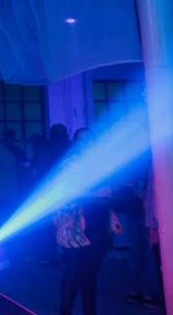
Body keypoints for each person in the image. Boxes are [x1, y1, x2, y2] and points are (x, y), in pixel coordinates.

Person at [54, 128, 122, 315]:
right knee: (73, 272)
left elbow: (109, 192)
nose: (87, 143)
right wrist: (96, 194)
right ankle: (65, 312)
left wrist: (110, 210)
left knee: (90, 274)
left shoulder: (101, 164)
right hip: (75, 226)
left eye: (90, 139)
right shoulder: (70, 164)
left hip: (97, 223)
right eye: (82, 140)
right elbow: (65, 193)